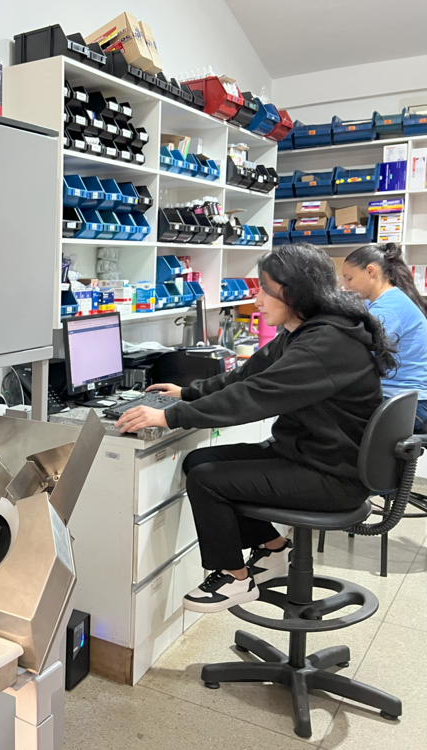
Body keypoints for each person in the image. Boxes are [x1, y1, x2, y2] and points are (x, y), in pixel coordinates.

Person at [116, 244, 396, 613]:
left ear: (295, 291)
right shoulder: (307, 330)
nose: (257, 298)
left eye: (266, 288)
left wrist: (171, 416)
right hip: (313, 454)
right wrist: (187, 393)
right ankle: (274, 550)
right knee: (197, 461)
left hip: (333, 476)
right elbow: (250, 374)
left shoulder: (326, 343)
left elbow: (254, 396)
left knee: (209, 479)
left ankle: (234, 578)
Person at [341, 242, 427, 432]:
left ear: (371, 271)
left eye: (349, 278)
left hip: (409, 405)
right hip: (405, 400)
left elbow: (360, 354)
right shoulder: (389, 301)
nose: (345, 287)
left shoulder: (388, 308)